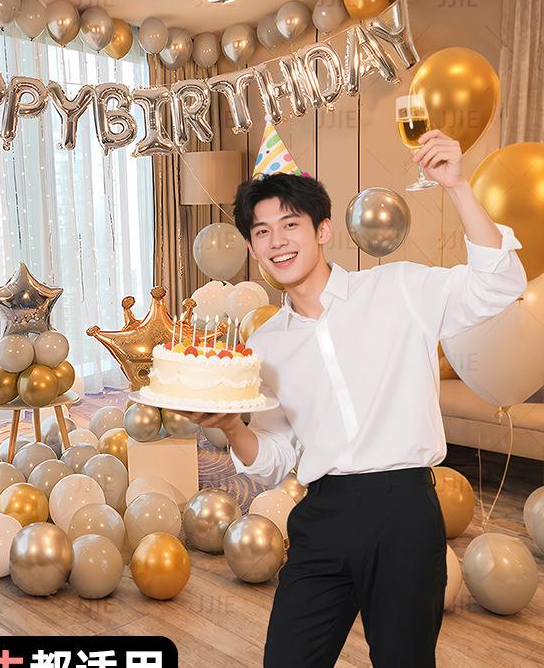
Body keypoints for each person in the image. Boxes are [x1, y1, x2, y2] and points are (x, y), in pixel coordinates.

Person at [179, 129, 527, 668]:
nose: (277, 241)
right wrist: (230, 426)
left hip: (405, 511)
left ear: (323, 230)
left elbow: (498, 284)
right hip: (323, 515)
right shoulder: (265, 346)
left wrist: (457, 186)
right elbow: (273, 458)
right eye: (262, 231)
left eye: (291, 224)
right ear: (251, 248)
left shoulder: (398, 289)